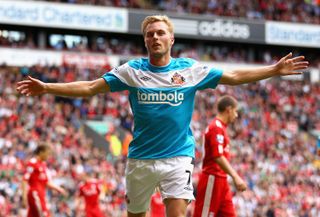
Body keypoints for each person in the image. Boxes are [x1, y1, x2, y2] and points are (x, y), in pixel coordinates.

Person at [16, 15, 308, 217]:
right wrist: (47, 88)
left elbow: (232, 75)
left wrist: (273, 70)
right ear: (145, 41)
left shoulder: (190, 70)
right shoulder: (132, 70)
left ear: (171, 39)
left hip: (178, 157)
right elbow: (91, 87)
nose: (155, 37)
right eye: (149, 34)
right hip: (140, 158)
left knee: (177, 210)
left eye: (160, 33)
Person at [193, 95, 246, 217]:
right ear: (229, 109)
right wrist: (235, 176)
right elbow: (218, 156)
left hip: (221, 181)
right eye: (235, 111)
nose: (236, 115)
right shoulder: (215, 127)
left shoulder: (221, 128)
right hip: (212, 178)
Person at [22, 144, 67, 217]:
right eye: (47, 153)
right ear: (41, 152)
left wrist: (59, 189)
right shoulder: (33, 163)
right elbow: (24, 179)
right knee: (44, 215)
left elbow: (46, 182)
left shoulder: (43, 165)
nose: (48, 156)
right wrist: (24, 197)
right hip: (35, 194)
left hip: (41, 195)